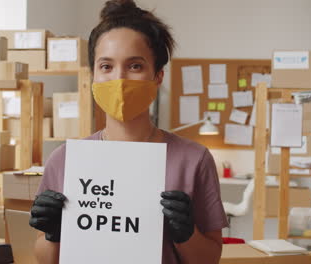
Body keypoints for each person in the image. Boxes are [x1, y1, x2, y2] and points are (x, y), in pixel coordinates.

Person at [29, 0, 228, 263]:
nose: (119, 79)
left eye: (135, 66)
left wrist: (186, 234)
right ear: (93, 76)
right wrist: (54, 234)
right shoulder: (66, 160)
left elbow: (211, 257)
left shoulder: (193, 160)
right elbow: (45, 258)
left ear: (158, 76)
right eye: (106, 66)